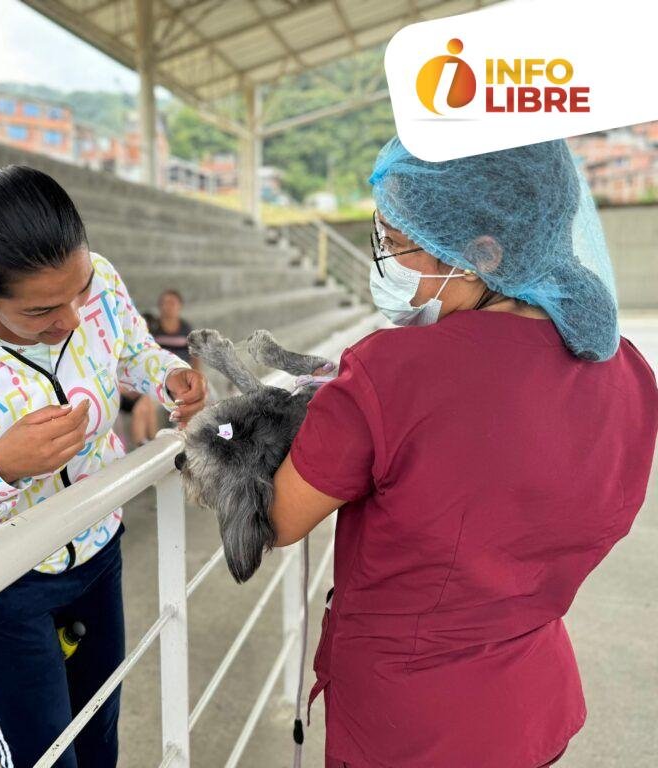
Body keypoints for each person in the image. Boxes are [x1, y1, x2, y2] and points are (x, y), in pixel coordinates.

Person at [267, 137, 658, 768]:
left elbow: (281, 517)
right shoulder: (628, 370)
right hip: (532, 704)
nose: (386, 262)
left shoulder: (387, 371)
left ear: (481, 256)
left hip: (408, 728)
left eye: (398, 244)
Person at [0, 166, 207, 768]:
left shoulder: (96, 278)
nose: (73, 318)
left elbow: (129, 349)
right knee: (47, 758)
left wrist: (168, 377)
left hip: (98, 552)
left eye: (79, 292)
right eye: (42, 312)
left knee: (100, 735)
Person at [120, 289, 201, 446]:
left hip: (179, 382)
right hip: (156, 382)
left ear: (179, 306)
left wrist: (193, 375)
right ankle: (150, 446)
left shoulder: (186, 329)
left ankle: (152, 445)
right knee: (145, 405)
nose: (168, 307)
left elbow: (195, 357)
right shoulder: (153, 329)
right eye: (164, 303)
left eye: (172, 303)